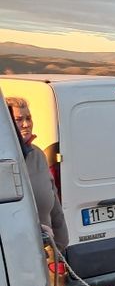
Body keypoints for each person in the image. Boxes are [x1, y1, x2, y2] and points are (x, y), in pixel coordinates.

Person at [6, 97, 69, 255]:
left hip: (43, 252)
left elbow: (53, 200)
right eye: (19, 119)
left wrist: (60, 245)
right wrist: (34, 227)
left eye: (28, 118)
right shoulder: (4, 158)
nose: (26, 124)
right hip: (12, 257)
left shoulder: (38, 154)